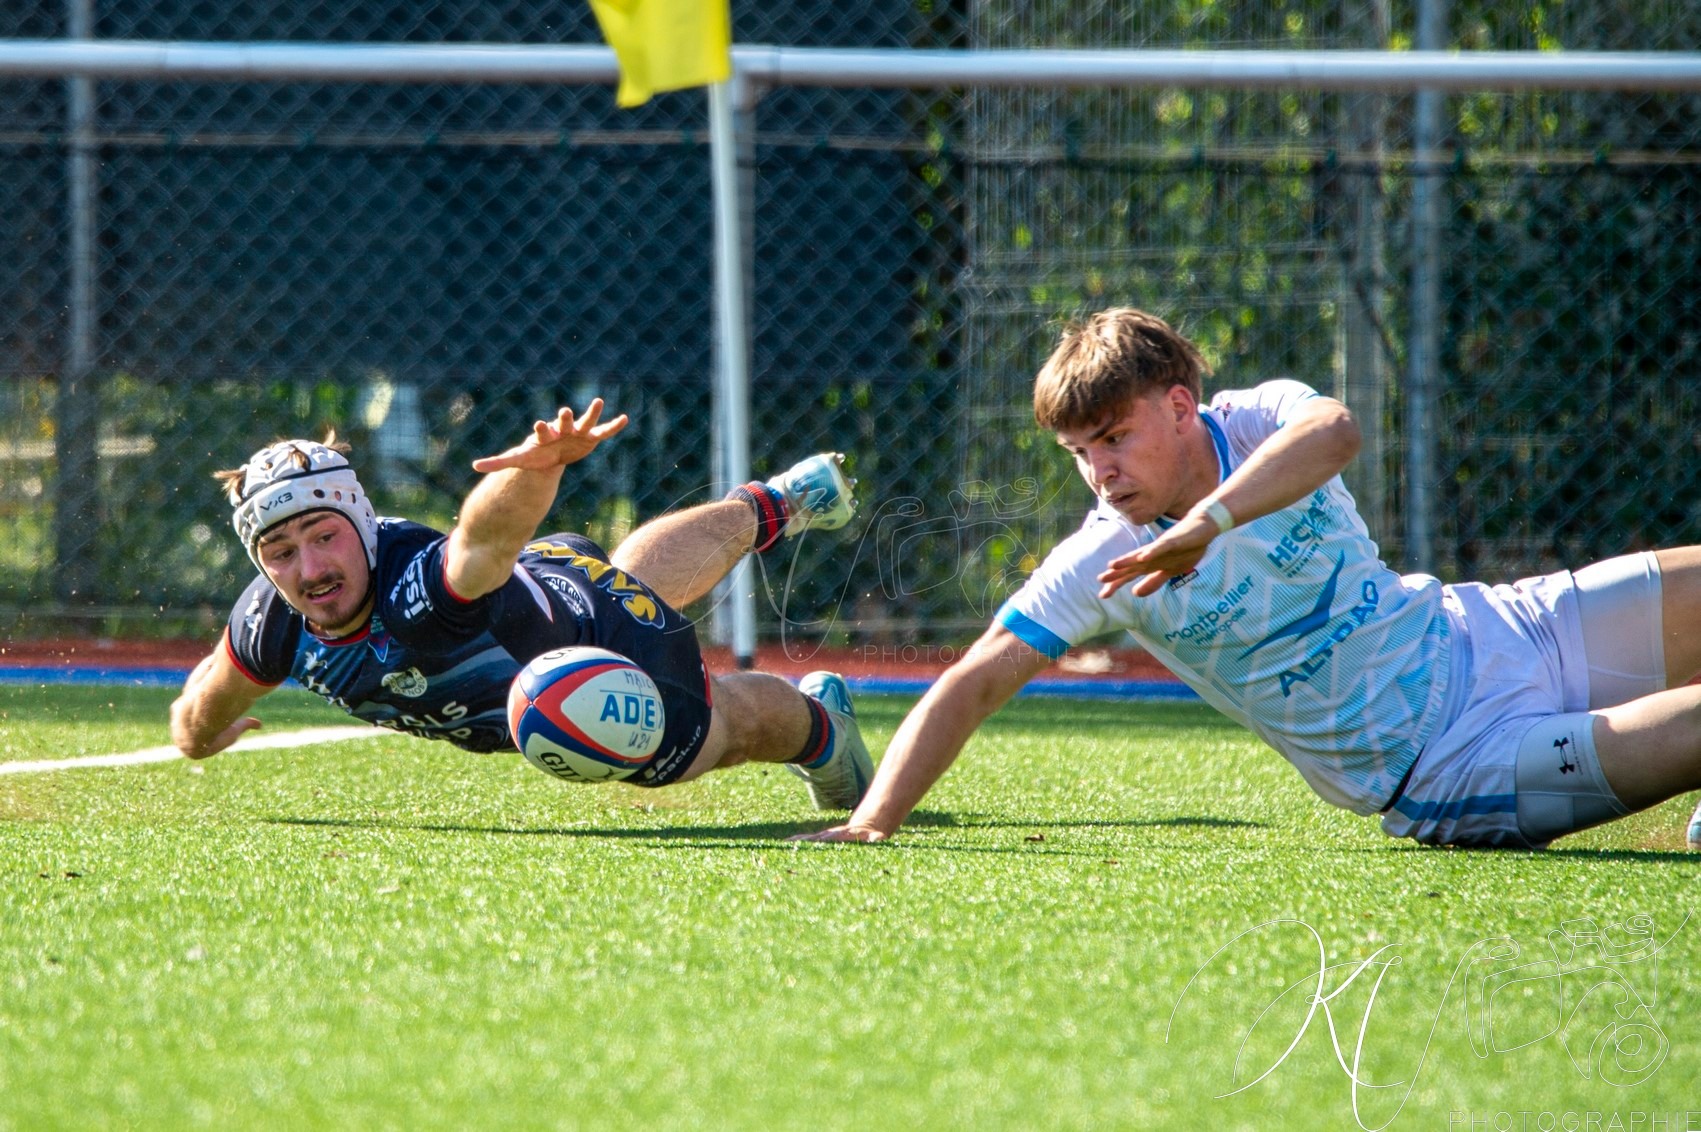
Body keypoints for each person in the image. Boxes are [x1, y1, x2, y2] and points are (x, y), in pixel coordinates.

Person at [800, 307, 1701, 849]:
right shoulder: (1099, 563)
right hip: (1447, 767)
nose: (1099, 471)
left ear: (1181, 405)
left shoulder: (1262, 413)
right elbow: (973, 680)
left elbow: (1337, 433)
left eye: (1113, 438)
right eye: (1080, 452)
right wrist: (874, 820)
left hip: (1501, 629)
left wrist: (1205, 525)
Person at [170, 400, 874, 808]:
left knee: (708, 740)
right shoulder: (271, 621)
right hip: (552, 586)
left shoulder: (415, 587)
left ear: (358, 522)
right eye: (281, 552)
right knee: (634, 575)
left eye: (324, 537)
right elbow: (206, 702)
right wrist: (196, 737)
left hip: (596, 648)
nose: (310, 568)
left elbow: (481, 543)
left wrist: (538, 472)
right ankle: (775, 502)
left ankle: (824, 729)